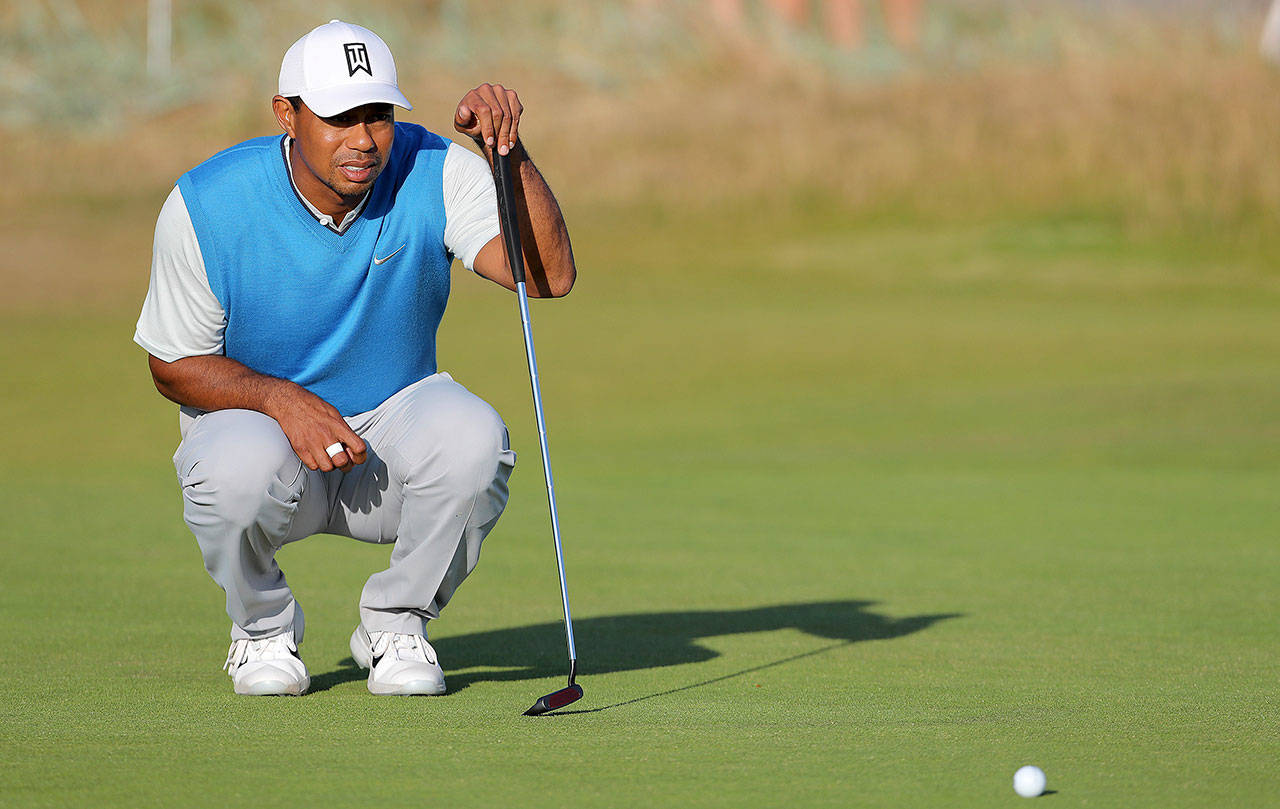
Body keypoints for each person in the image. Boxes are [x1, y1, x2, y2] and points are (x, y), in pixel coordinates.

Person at [133, 19, 576, 697]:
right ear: (288, 114)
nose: (364, 139)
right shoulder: (207, 203)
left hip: (392, 440)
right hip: (270, 442)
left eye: (378, 115)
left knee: (476, 439)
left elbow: (546, 275)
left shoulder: (432, 168)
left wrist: (506, 154)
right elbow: (173, 365)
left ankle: (395, 625)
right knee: (229, 468)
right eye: (340, 117)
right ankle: (261, 631)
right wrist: (284, 400)